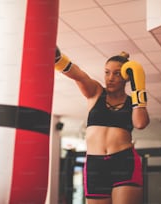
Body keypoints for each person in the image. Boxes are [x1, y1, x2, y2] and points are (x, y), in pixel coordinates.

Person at [55, 47, 150, 204]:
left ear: (127, 77)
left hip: (123, 161)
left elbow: (140, 123)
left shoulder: (132, 102)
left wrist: (137, 88)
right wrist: (58, 59)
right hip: (95, 165)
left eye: (117, 73)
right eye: (107, 72)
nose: (110, 78)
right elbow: (79, 76)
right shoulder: (96, 92)